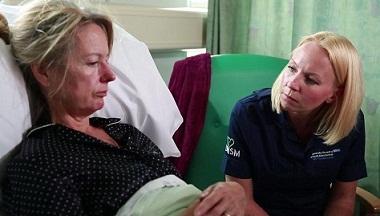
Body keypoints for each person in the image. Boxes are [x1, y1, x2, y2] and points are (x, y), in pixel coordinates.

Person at [0, 1, 246, 215]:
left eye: (107, 61)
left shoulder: (124, 133)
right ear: (44, 71)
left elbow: (180, 190)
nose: (109, 75)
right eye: (93, 62)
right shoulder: (40, 162)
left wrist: (233, 193)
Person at [223, 31, 366, 216]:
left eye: (310, 79)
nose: (291, 83)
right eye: (292, 68)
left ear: (334, 94)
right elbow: (241, 199)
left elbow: (343, 198)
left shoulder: (350, 122)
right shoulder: (248, 114)